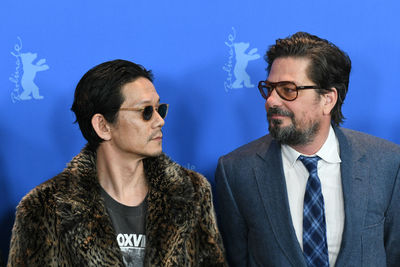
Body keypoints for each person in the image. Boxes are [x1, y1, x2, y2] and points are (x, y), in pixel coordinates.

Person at [8, 59, 226, 266]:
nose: (160, 121)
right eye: (146, 112)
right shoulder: (43, 208)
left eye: (160, 109)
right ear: (102, 125)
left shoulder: (192, 192)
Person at [215, 32, 400, 267]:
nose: (271, 101)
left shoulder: (387, 163)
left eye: (288, 89)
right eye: (269, 88)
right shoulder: (236, 171)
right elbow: (236, 259)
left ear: (327, 99)